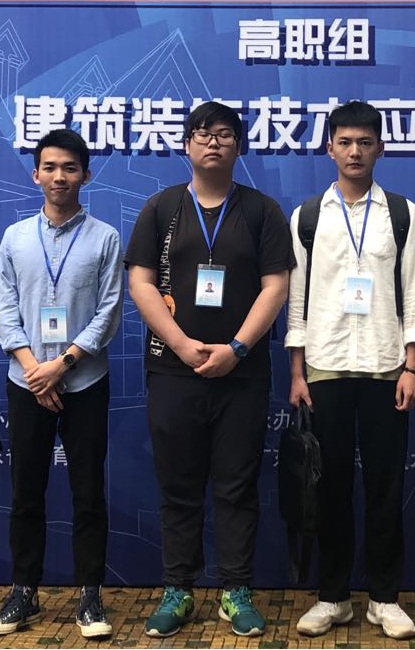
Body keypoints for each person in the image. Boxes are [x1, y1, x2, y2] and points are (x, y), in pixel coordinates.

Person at [124, 101, 294, 638]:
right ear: (186, 145)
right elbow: (140, 282)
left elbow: (276, 286)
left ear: (239, 146)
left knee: (237, 486)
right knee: (178, 485)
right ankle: (178, 589)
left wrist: (237, 348)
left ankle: (235, 589)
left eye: (223, 134)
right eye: (201, 133)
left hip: (242, 374)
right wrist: (180, 345)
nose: (213, 142)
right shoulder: (161, 207)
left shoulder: (262, 210)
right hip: (173, 371)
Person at [285, 101, 415, 640]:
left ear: (380, 149)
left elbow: (414, 291)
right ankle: (333, 597)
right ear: (329, 148)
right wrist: (297, 372)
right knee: (330, 488)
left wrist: (413, 364)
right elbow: (296, 299)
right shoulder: (308, 216)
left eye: (364, 143)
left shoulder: (403, 213)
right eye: (344, 142)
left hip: (387, 366)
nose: (354, 152)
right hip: (325, 367)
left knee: (386, 488)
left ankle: (385, 598)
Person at [0, 129, 122, 640]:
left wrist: (60, 365)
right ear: (36, 173)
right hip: (26, 382)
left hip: (84, 381)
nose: (59, 176)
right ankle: (24, 592)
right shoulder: (15, 237)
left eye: (70, 168)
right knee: (26, 492)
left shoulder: (105, 237)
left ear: (86, 174)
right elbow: (5, 309)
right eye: (50, 167)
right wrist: (32, 369)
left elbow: (109, 311)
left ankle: (90, 595)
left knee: (89, 493)